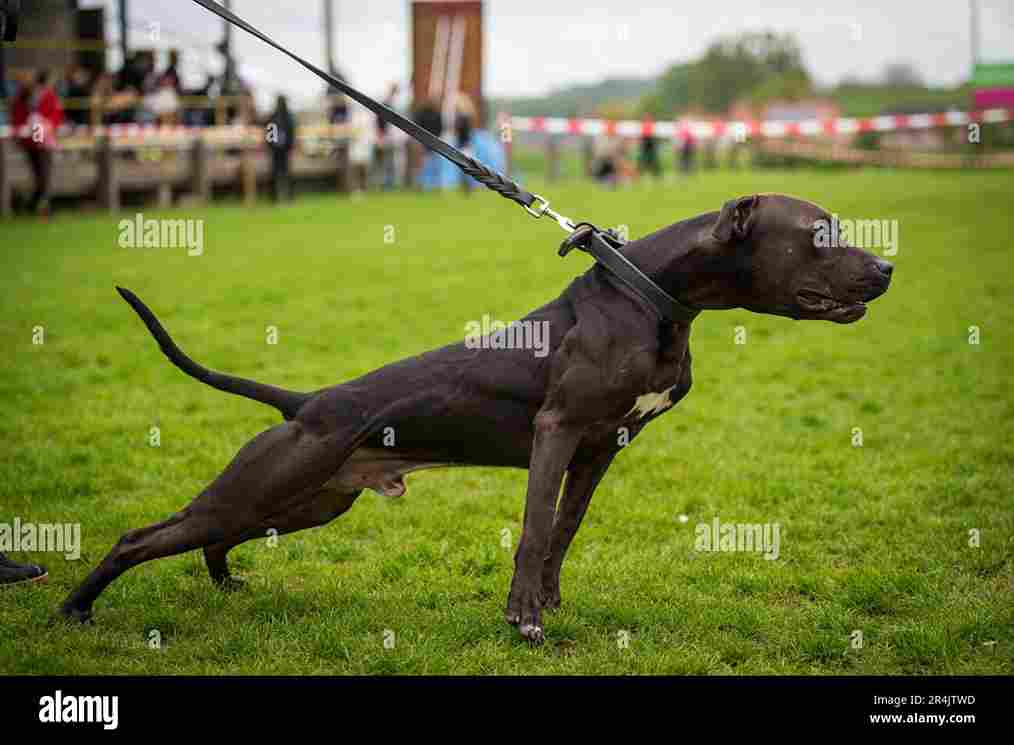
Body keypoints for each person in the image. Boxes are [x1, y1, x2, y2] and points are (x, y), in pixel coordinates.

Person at [11, 70, 64, 217]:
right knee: (43, 176)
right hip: (39, 140)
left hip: (36, 139)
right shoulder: (36, 96)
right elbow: (53, 117)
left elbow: (54, 117)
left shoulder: (33, 96)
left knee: (41, 177)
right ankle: (39, 206)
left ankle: (35, 206)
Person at [266, 94, 296, 202]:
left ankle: (275, 197)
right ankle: (288, 197)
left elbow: (269, 132)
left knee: (276, 173)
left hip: (277, 149)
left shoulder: (273, 116)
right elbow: (292, 132)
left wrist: (271, 145)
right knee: (285, 173)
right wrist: (290, 145)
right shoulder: (288, 116)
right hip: (283, 149)